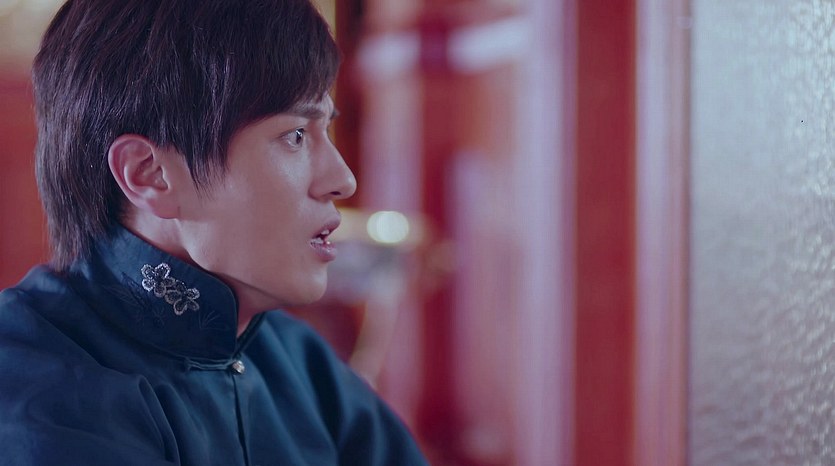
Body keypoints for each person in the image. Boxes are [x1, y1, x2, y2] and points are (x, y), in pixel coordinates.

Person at [0, 1, 428, 464]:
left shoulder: (298, 360)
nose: (343, 180)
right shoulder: (38, 387)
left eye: (326, 128)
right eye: (296, 135)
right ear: (150, 175)